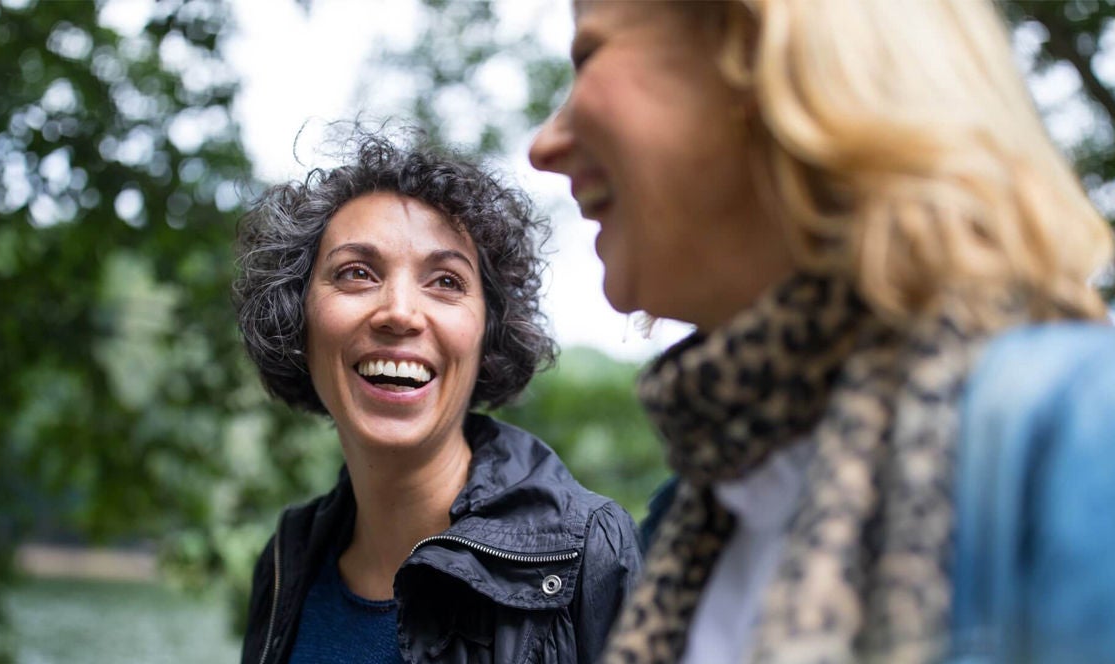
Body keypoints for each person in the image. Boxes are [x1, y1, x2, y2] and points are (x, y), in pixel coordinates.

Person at [527, 1, 1115, 663]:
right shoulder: (697, 519)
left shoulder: (1080, 430)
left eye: (587, 56)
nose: (543, 146)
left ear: (757, 51)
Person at [234, 132, 641, 664]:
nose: (399, 312)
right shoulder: (289, 558)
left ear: (487, 332)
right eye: (357, 273)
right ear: (297, 319)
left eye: (446, 281)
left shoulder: (591, 553)